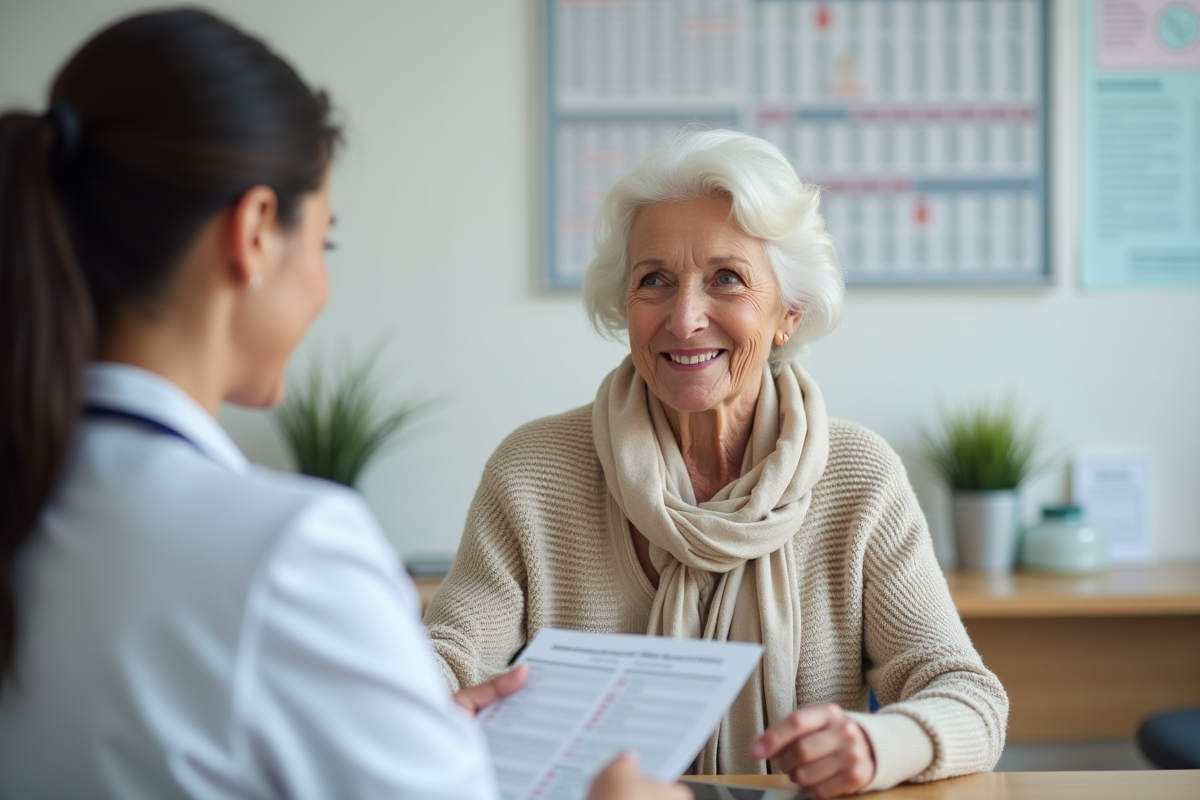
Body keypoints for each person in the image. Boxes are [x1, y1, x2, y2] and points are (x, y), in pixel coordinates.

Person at [0, 10, 687, 800]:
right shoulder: (289, 553)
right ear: (255, 232)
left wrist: (400, 730)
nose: (322, 287)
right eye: (323, 242)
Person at [425, 130, 1009, 799]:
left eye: (726, 279)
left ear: (789, 312)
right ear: (626, 306)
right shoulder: (533, 471)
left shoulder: (859, 476)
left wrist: (877, 744)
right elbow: (445, 656)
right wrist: (422, 702)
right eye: (655, 282)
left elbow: (968, 696)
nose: (684, 317)